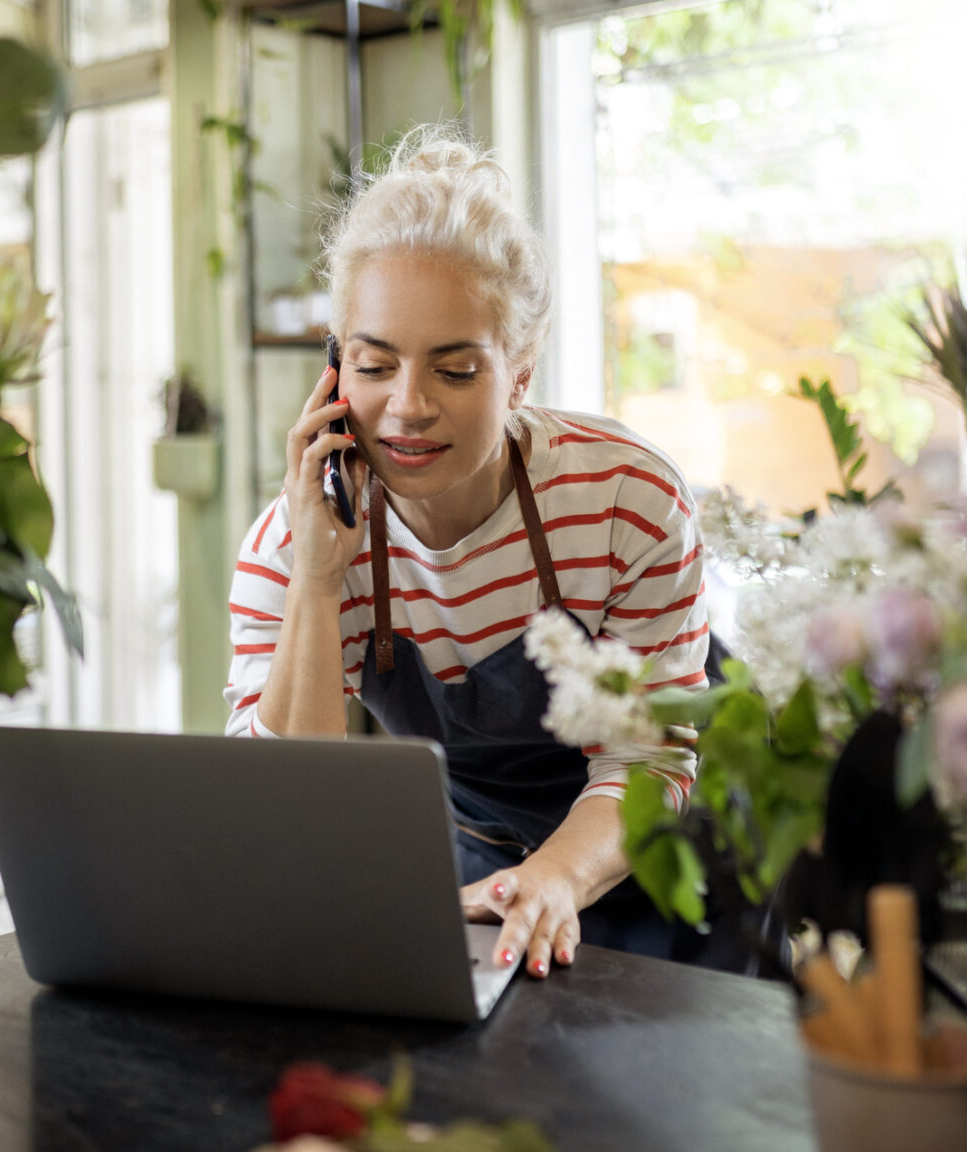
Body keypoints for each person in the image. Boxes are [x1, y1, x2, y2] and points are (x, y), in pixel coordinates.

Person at [224, 128, 709, 978]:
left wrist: (559, 875)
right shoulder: (289, 546)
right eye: (374, 365)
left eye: (454, 371)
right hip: (481, 871)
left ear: (519, 373)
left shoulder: (626, 501)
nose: (406, 407)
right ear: (335, 372)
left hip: (655, 860)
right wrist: (317, 575)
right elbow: (286, 813)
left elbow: (650, 754)